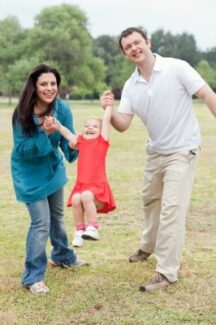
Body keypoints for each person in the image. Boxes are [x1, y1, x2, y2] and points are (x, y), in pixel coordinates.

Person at [100, 27, 216, 292]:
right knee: (150, 201)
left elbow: (207, 95)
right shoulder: (131, 85)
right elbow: (123, 124)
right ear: (124, 53)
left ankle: (166, 272)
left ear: (148, 42)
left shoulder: (177, 68)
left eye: (137, 42)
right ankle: (147, 246)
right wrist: (108, 108)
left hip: (182, 151)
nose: (134, 48)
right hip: (155, 152)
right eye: (127, 46)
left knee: (172, 209)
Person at [11, 64, 86, 294]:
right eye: (44, 83)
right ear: (34, 86)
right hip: (28, 174)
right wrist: (45, 132)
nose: (49, 88)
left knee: (57, 217)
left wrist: (74, 146)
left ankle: (62, 255)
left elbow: (67, 142)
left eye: (53, 83)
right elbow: (22, 149)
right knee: (41, 222)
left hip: (52, 170)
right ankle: (32, 277)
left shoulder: (62, 108)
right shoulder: (22, 112)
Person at [43, 106, 116, 247]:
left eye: (95, 126)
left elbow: (106, 121)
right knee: (76, 199)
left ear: (101, 132)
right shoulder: (80, 141)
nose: (90, 128)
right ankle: (79, 230)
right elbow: (68, 134)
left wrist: (108, 107)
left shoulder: (102, 142)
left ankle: (93, 227)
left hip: (97, 186)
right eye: (87, 126)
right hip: (82, 186)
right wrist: (57, 125)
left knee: (86, 196)